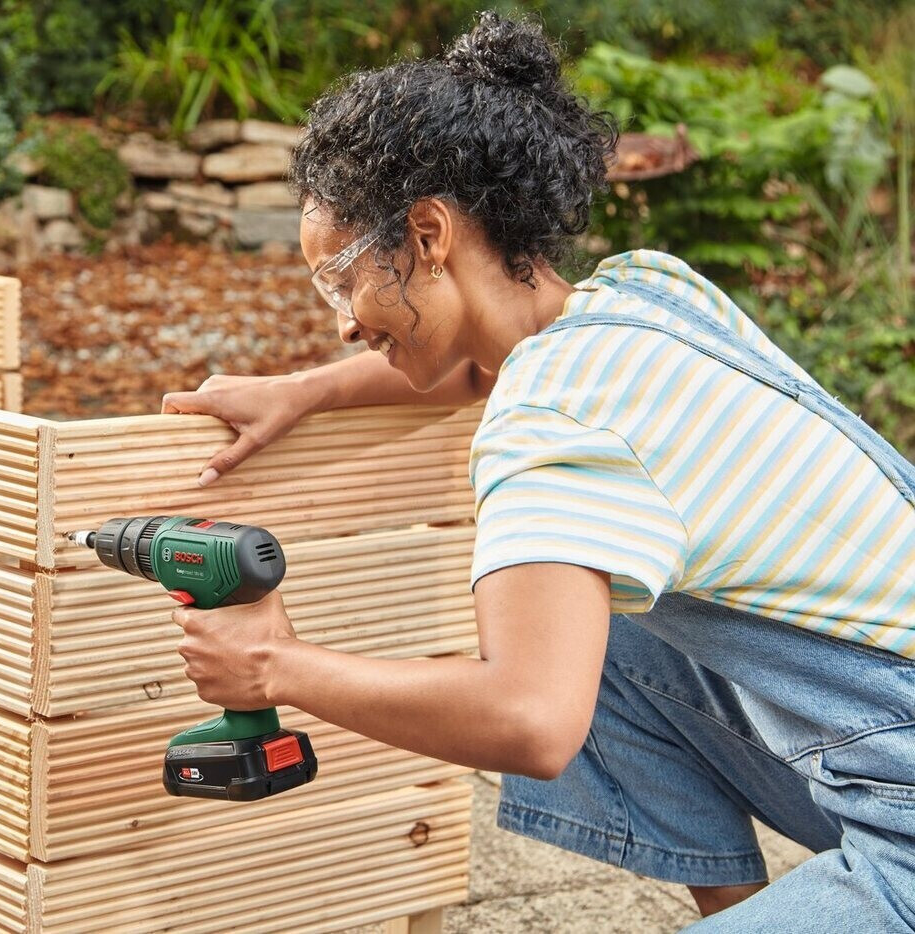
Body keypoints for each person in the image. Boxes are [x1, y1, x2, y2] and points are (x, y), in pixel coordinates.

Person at [160, 12, 915, 932]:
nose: (344, 321)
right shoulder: (639, 295)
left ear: (429, 233)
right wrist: (305, 391)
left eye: (340, 281)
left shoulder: (550, 419)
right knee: (609, 637)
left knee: (551, 663)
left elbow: (529, 719)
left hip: (900, 795)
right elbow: (485, 362)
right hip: (878, 747)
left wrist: (273, 664)